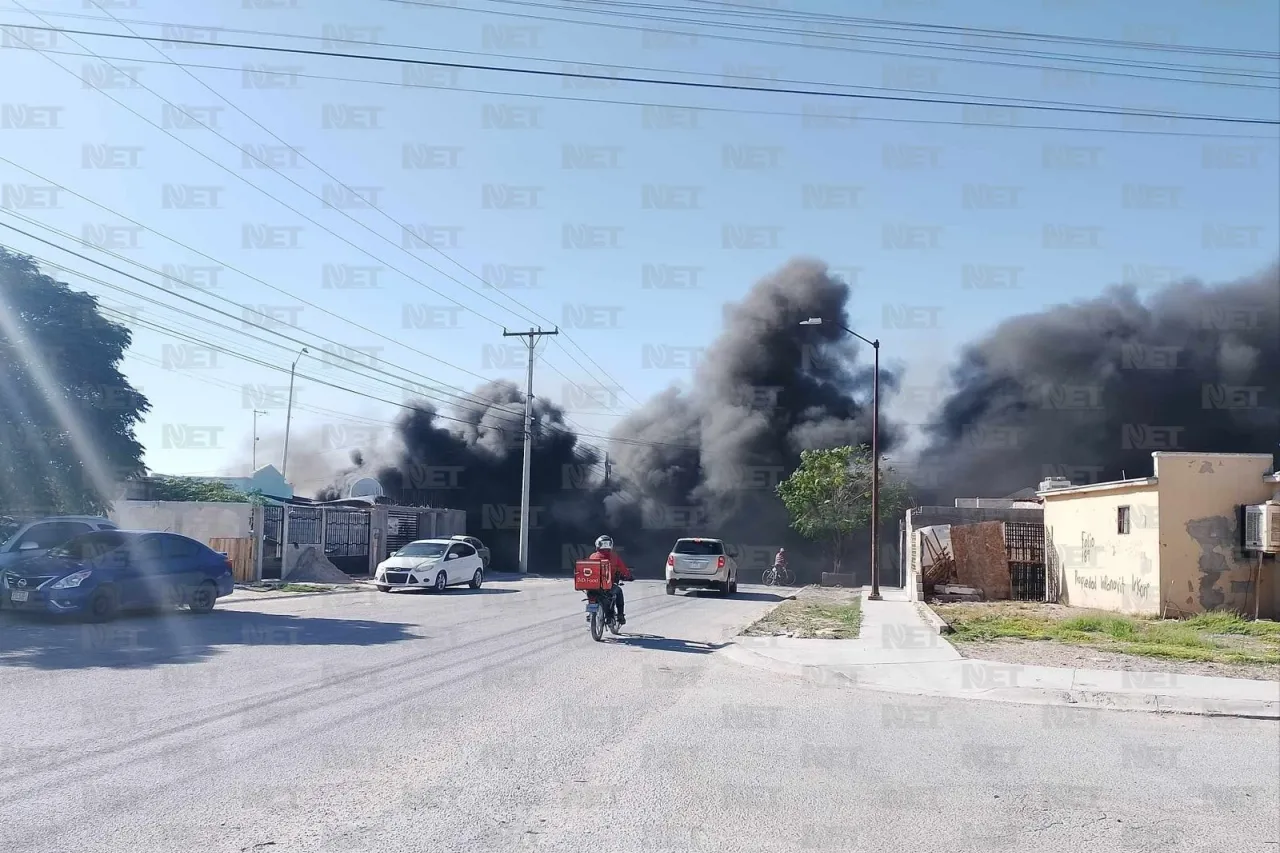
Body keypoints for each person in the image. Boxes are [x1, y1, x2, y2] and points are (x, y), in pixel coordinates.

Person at [589, 535, 632, 625]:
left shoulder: (593, 556)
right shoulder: (614, 557)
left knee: (591, 595)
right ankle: (620, 615)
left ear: (597, 545)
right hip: (608, 586)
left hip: (593, 586)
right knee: (619, 592)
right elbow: (623, 569)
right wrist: (628, 576)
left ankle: (591, 613)